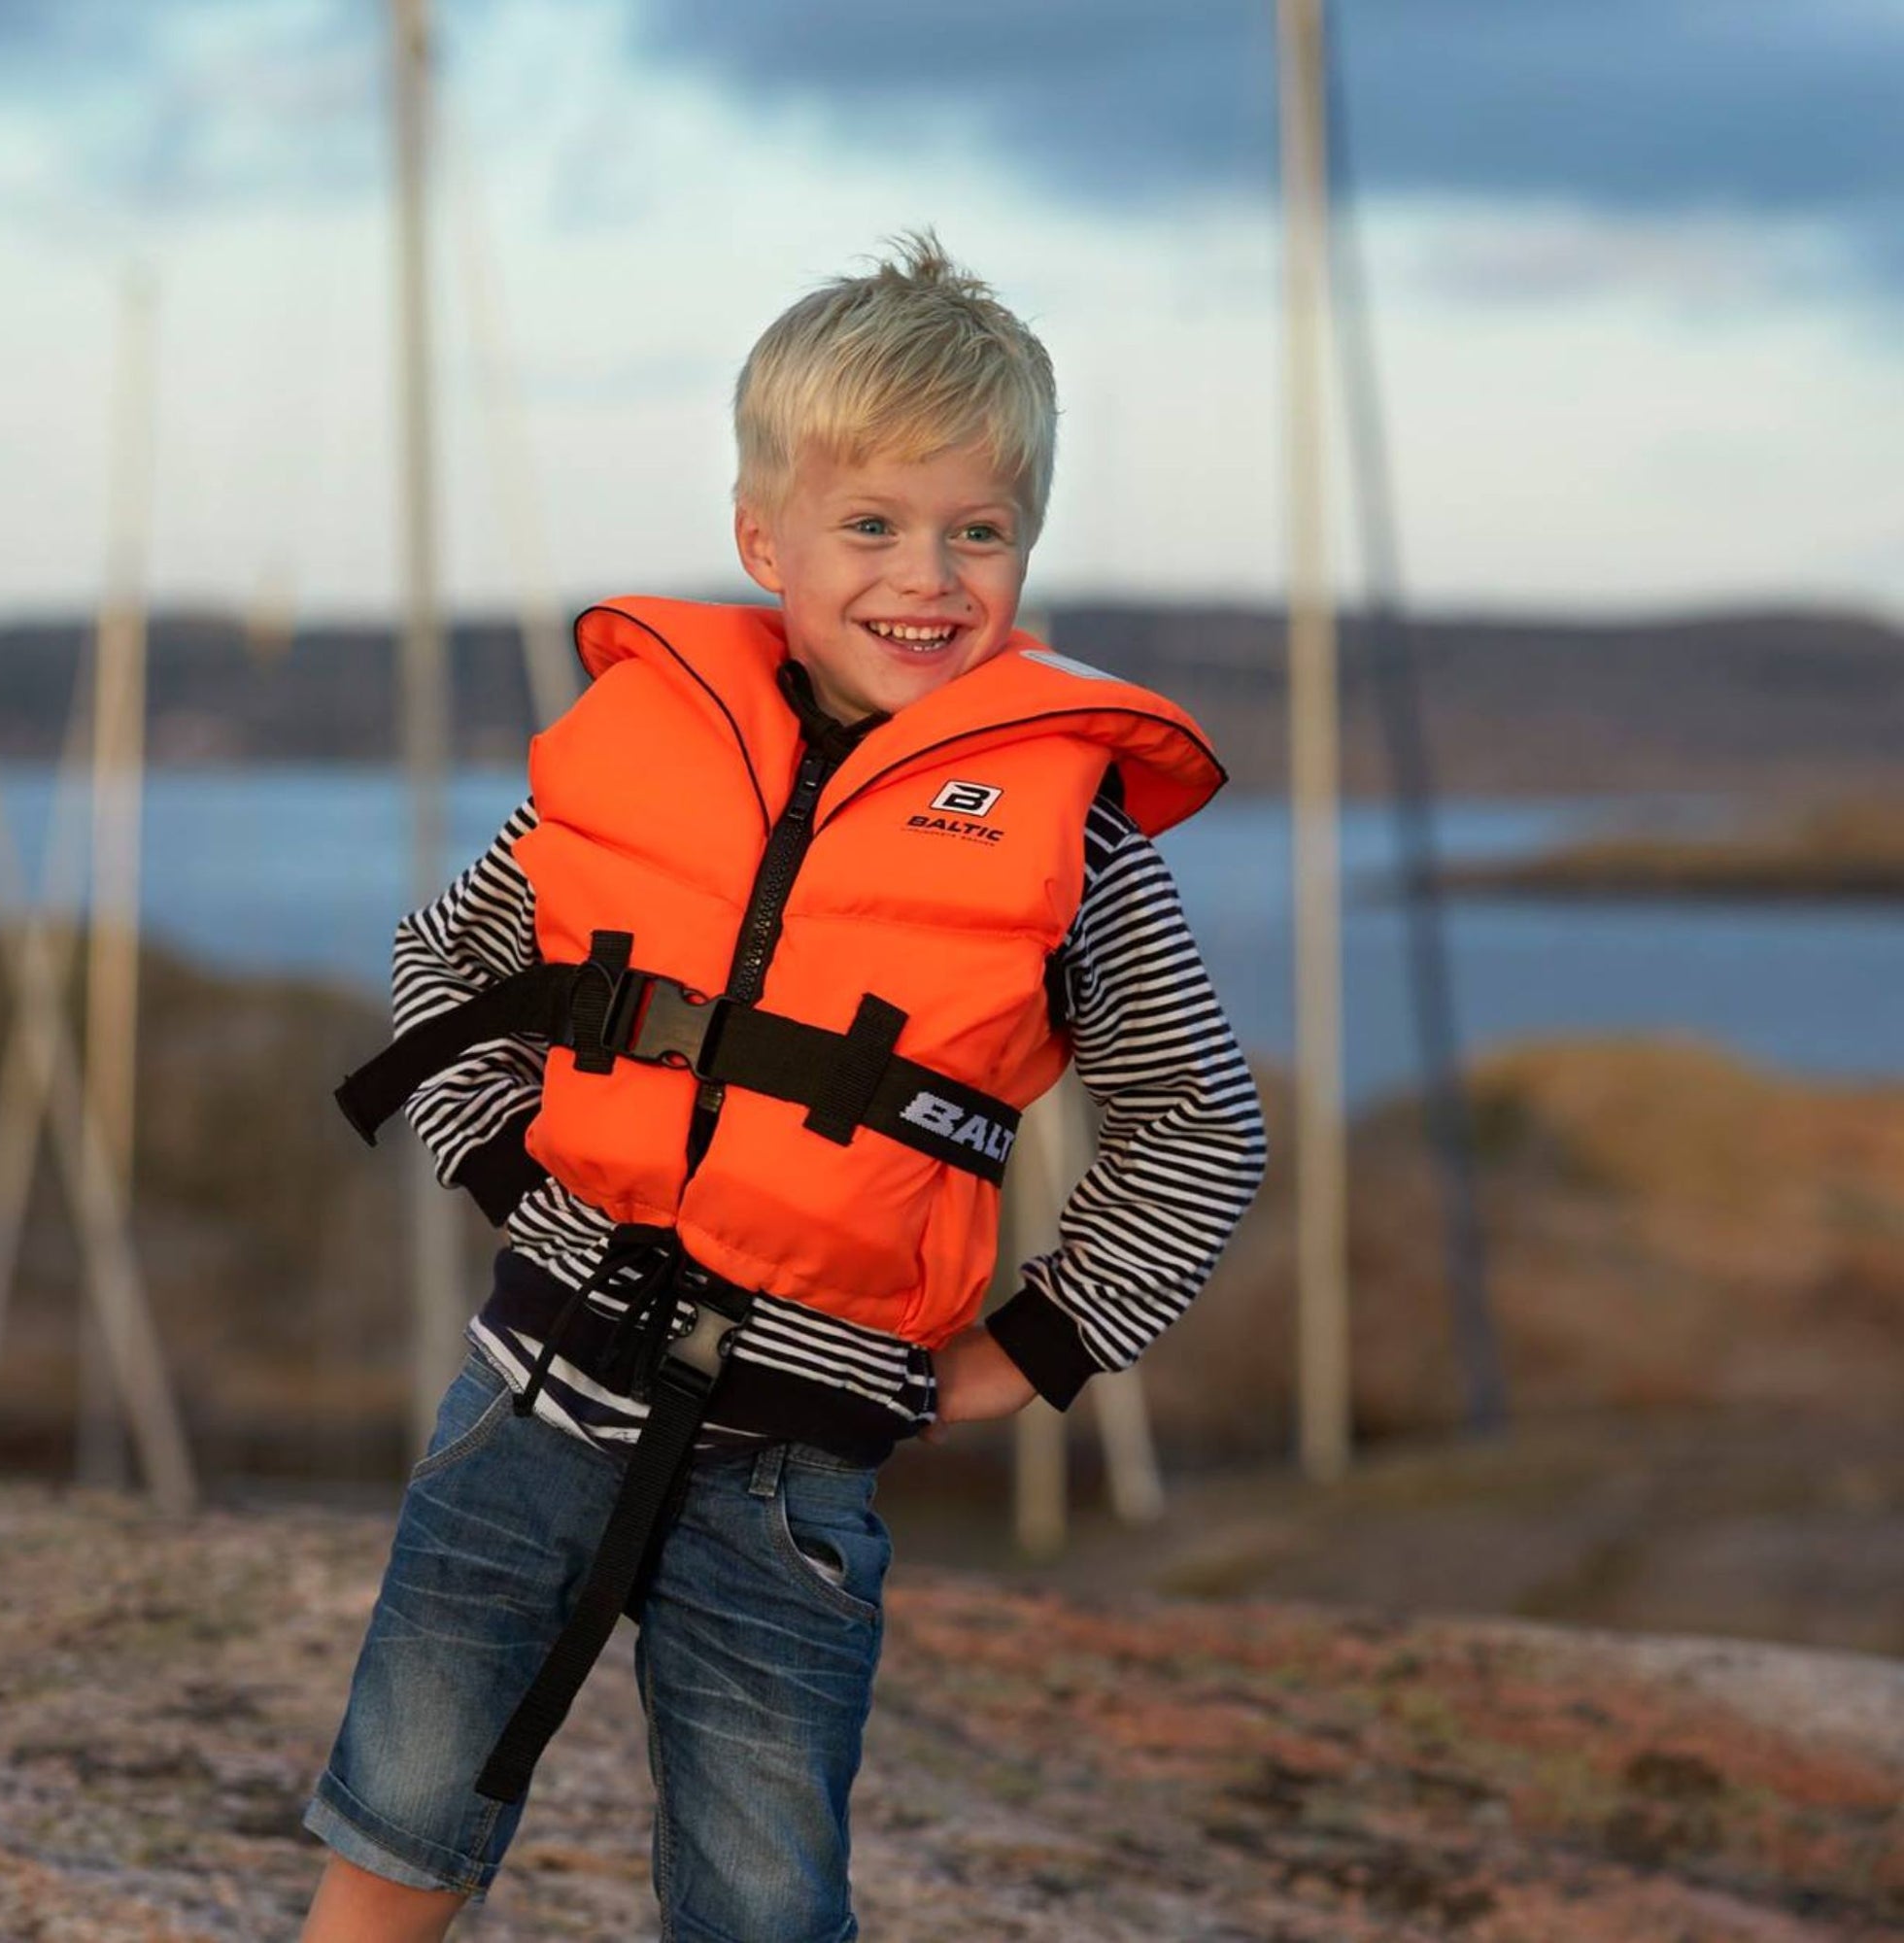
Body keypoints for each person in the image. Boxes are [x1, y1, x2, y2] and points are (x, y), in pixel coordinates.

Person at [298, 230, 1267, 1942]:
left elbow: (1200, 1123)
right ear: (766, 540)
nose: (931, 574)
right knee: (403, 1793)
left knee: (760, 1888)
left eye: (981, 530)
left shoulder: (1076, 845)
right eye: (875, 524)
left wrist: (1028, 1353)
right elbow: (454, 964)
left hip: (792, 1474)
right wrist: (515, 1172)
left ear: (1025, 549)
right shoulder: (645, 750)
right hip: (531, 1386)